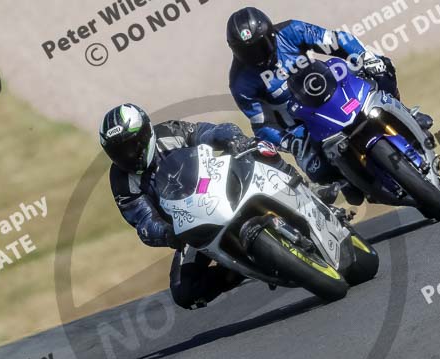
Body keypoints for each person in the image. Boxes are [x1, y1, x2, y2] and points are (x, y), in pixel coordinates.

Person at [99, 103, 300, 310]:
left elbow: (209, 132)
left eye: (131, 146)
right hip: (190, 225)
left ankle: (298, 187)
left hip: (219, 186)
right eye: (118, 152)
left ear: (145, 134)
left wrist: (232, 138)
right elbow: (143, 221)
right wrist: (168, 233)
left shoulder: (169, 132)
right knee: (184, 291)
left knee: (254, 147)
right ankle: (242, 268)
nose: (128, 156)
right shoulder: (121, 179)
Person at [226, 7, 433, 205]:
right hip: (302, 124)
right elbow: (261, 124)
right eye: (247, 52)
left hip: (332, 89)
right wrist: (290, 142)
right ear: (235, 51)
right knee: (317, 170)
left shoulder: (291, 30)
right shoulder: (240, 83)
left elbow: (337, 40)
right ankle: (347, 179)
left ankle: (406, 113)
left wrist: (366, 58)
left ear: (271, 34)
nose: (257, 56)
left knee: (383, 68)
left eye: (260, 47)